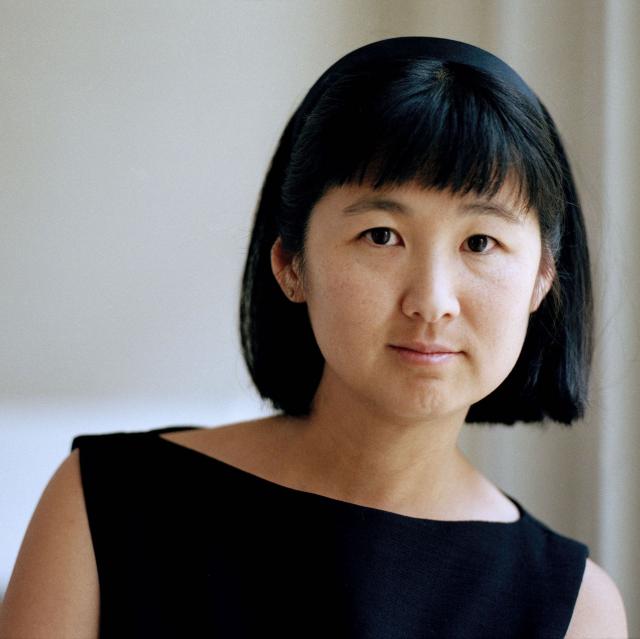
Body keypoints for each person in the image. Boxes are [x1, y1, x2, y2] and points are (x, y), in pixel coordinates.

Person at [0, 37, 628, 638]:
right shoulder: (105, 502)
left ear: (542, 278)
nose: (432, 301)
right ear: (291, 264)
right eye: (382, 235)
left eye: (480, 242)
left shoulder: (576, 610)